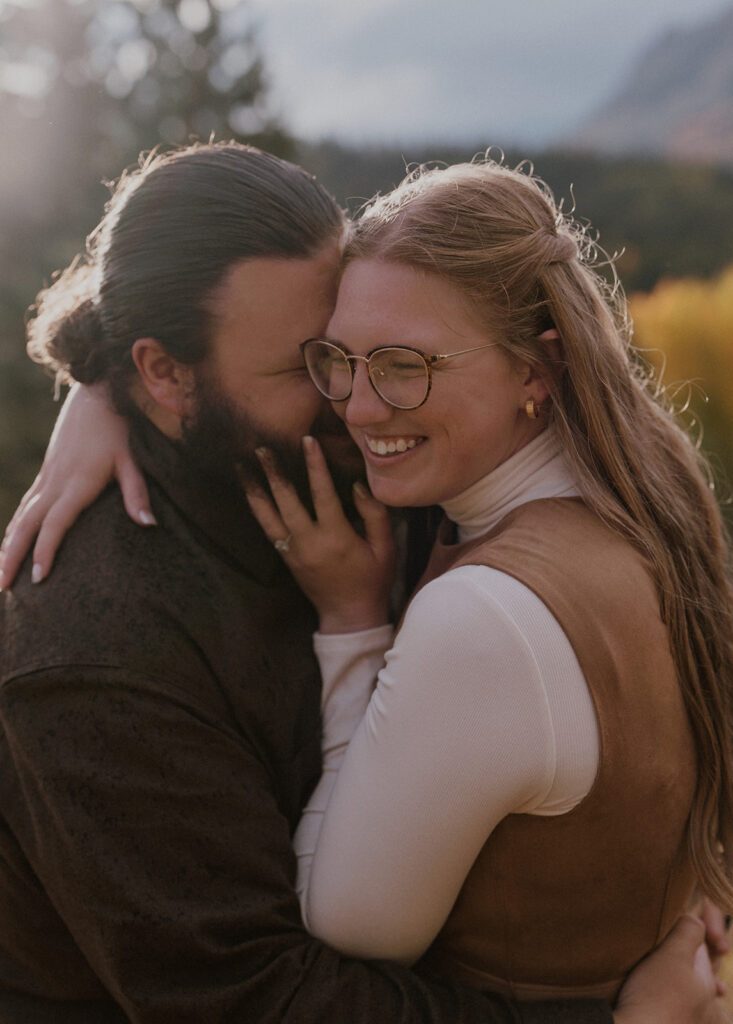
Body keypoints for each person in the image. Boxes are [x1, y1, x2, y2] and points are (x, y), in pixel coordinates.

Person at [0, 143, 728, 1023]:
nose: (353, 399)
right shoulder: (92, 649)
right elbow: (253, 1001)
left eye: (363, 354)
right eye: (312, 365)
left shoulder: (384, 464)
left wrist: (101, 388)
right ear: (163, 374)